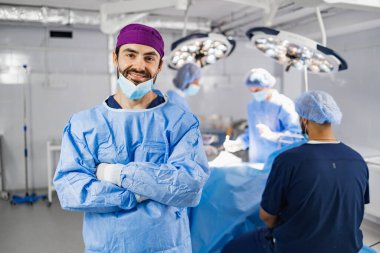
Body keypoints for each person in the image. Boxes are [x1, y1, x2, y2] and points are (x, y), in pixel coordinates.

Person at [53, 23, 210, 253]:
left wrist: (114, 173)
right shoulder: (84, 124)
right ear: (115, 58)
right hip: (107, 247)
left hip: (167, 246)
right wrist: (138, 193)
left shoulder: (180, 123)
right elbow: (71, 191)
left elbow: (189, 186)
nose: (139, 65)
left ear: (159, 66)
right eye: (131, 54)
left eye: (149, 58)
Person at [222, 90, 370, 253]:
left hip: (297, 248)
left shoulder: (288, 160)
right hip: (348, 248)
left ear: (304, 120)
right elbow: (355, 209)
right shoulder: (357, 160)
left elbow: (267, 217)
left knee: (231, 248)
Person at [223, 68, 301, 163]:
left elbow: (296, 136)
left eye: (258, 89)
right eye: (251, 90)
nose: (255, 93)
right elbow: (252, 133)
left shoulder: (283, 104)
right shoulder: (252, 105)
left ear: (268, 86)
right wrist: (240, 143)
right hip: (256, 161)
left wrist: (273, 136)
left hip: (278, 162)